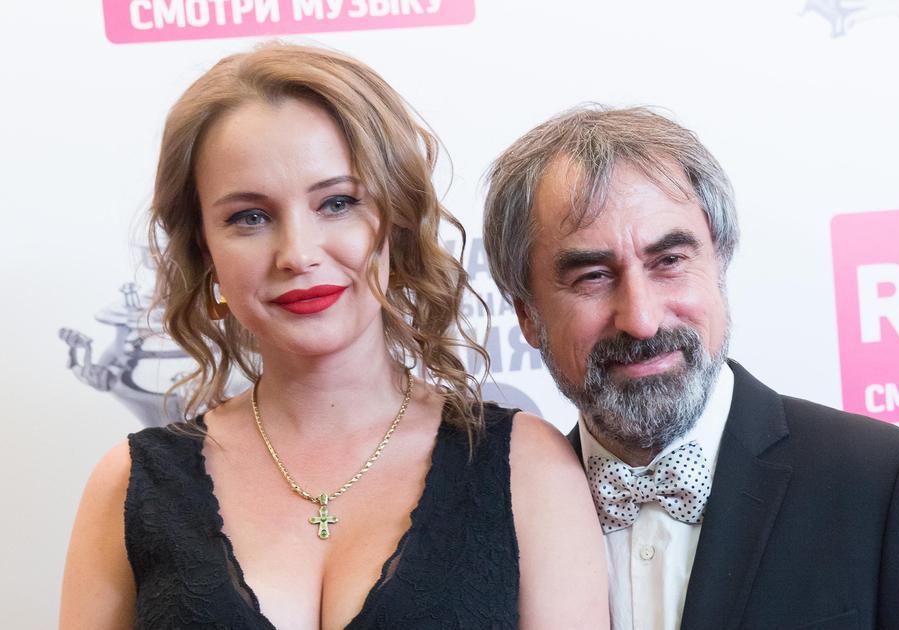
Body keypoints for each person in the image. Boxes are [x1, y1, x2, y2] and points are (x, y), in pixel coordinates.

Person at [60, 44, 607, 629]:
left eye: (337, 203)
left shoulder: (527, 467)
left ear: (395, 221)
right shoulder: (129, 485)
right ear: (204, 249)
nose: (297, 253)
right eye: (249, 217)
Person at [482, 105, 899, 629]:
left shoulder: (887, 484)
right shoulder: (496, 522)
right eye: (594, 277)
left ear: (719, 263)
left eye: (669, 261)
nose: (642, 320)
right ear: (528, 316)